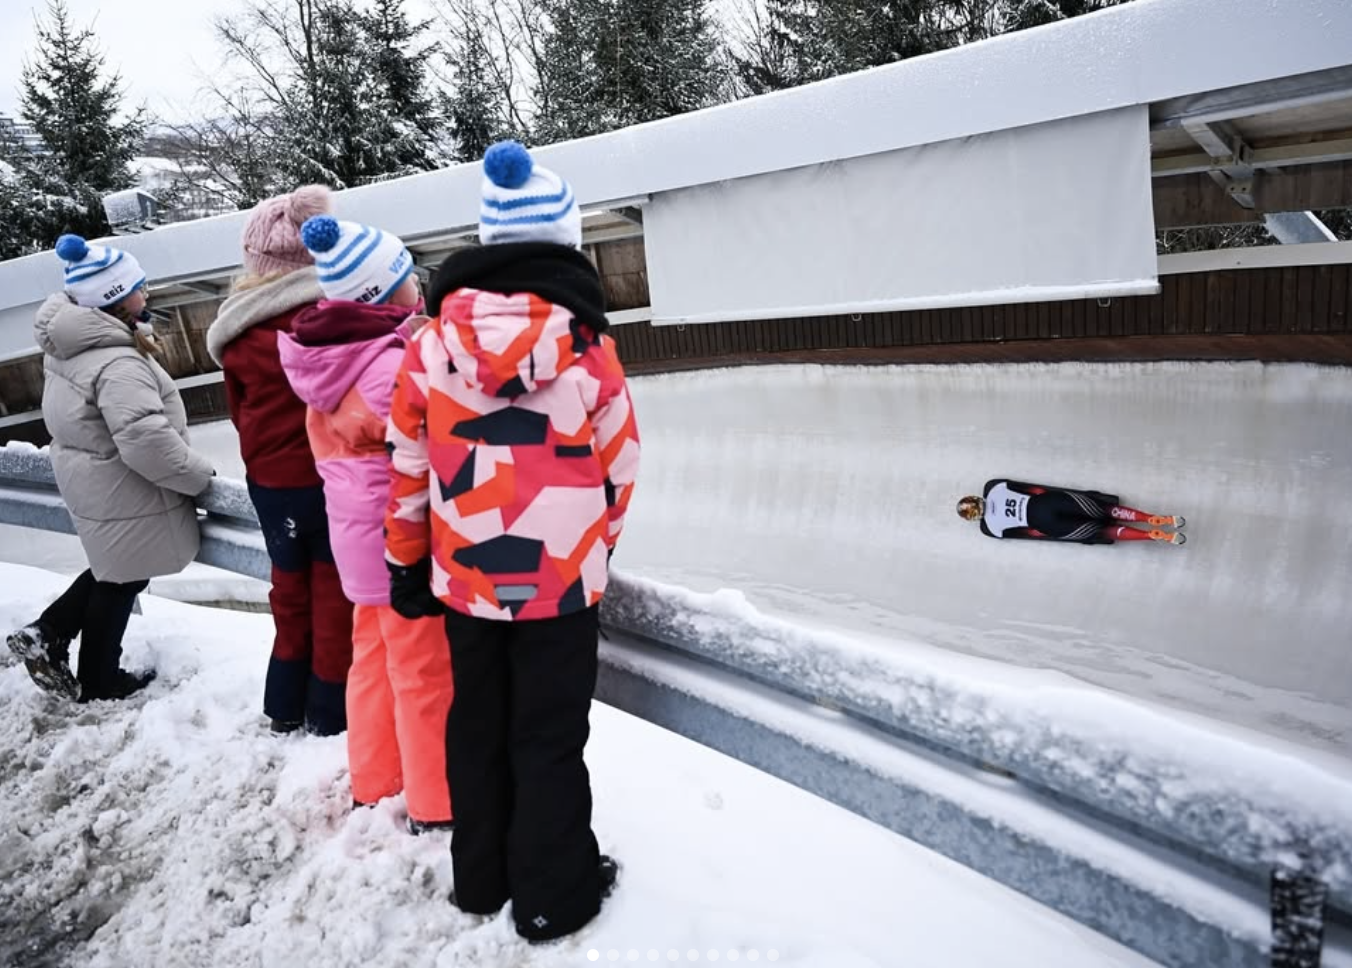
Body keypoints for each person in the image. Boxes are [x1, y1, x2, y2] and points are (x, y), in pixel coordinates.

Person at [384, 140, 640, 942]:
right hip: (559, 586)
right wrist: (597, 548)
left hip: (466, 580)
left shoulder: (427, 346)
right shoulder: (590, 348)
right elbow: (620, 464)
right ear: (563, 243)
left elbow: (408, 465)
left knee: (477, 725)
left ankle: (481, 880)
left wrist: (405, 559)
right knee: (549, 737)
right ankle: (551, 897)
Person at [278, 213, 454, 834]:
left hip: (355, 540)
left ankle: (375, 783)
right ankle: (436, 803)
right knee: (422, 672)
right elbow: (434, 441)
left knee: (373, 661)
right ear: (384, 295)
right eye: (409, 277)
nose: (420, 286)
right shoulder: (385, 369)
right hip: (396, 541)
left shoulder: (333, 357)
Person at [5, 234, 216, 702]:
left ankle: (49, 631)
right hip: (127, 486)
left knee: (116, 570)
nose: (149, 294)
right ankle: (99, 679)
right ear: (116, 298)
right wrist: (200, 478)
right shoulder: (117, 362)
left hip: (97, 481)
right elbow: (146, 442)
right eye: (140, 288)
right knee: (123, 579)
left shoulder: (73, 346)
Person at [206, 186, 354, 736]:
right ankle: (329, 711)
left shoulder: (237, 333)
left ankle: (282, 704)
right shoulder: (329, 323)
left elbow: (240, 413)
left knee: (289, 591)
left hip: (270, 486)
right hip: (324, 480)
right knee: (333, 595)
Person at [956, 479, 1185, 544]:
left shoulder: (992, 529)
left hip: (1047, 525)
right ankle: (1150, 518)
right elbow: (1035, 489)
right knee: (1104, 510)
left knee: (1101, 531)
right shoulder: (996, 488)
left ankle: (1149, 535)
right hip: (1049, 502)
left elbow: (1029, 534)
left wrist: (1046, 532)